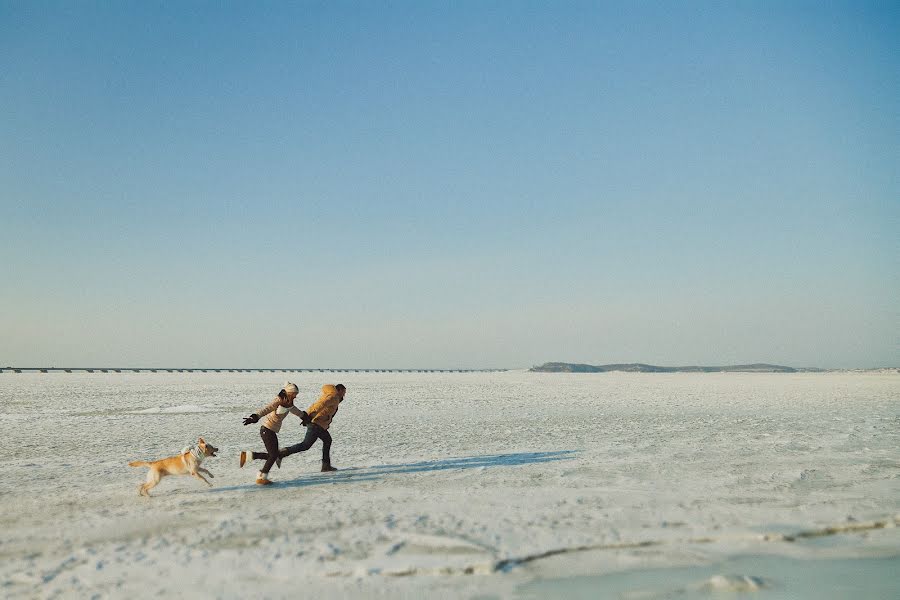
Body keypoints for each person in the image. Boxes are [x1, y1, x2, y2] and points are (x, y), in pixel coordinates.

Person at [239, 382, 308, 485]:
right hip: (267, 429)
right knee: (274, 455)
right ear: (289, 392)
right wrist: (255, 417)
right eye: (294, 393)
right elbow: (266, 409)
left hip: (271, 430)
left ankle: (248, 455)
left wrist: (305, 417)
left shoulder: (289, 403)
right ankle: (261, 477)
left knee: (274, 455)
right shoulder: (278, 400)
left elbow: (296, 411)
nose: (296, 396)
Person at [279, 384, 345, 472]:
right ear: (339, 390)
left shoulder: (333, 396)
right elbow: (320, 404)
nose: (344, 394)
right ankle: (282, 453)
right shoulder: (333, 396)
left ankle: (326, 466)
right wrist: (308, 416)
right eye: (344, 392)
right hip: (316, 424)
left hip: (319, 424)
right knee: (305, 445)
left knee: (327, 440)